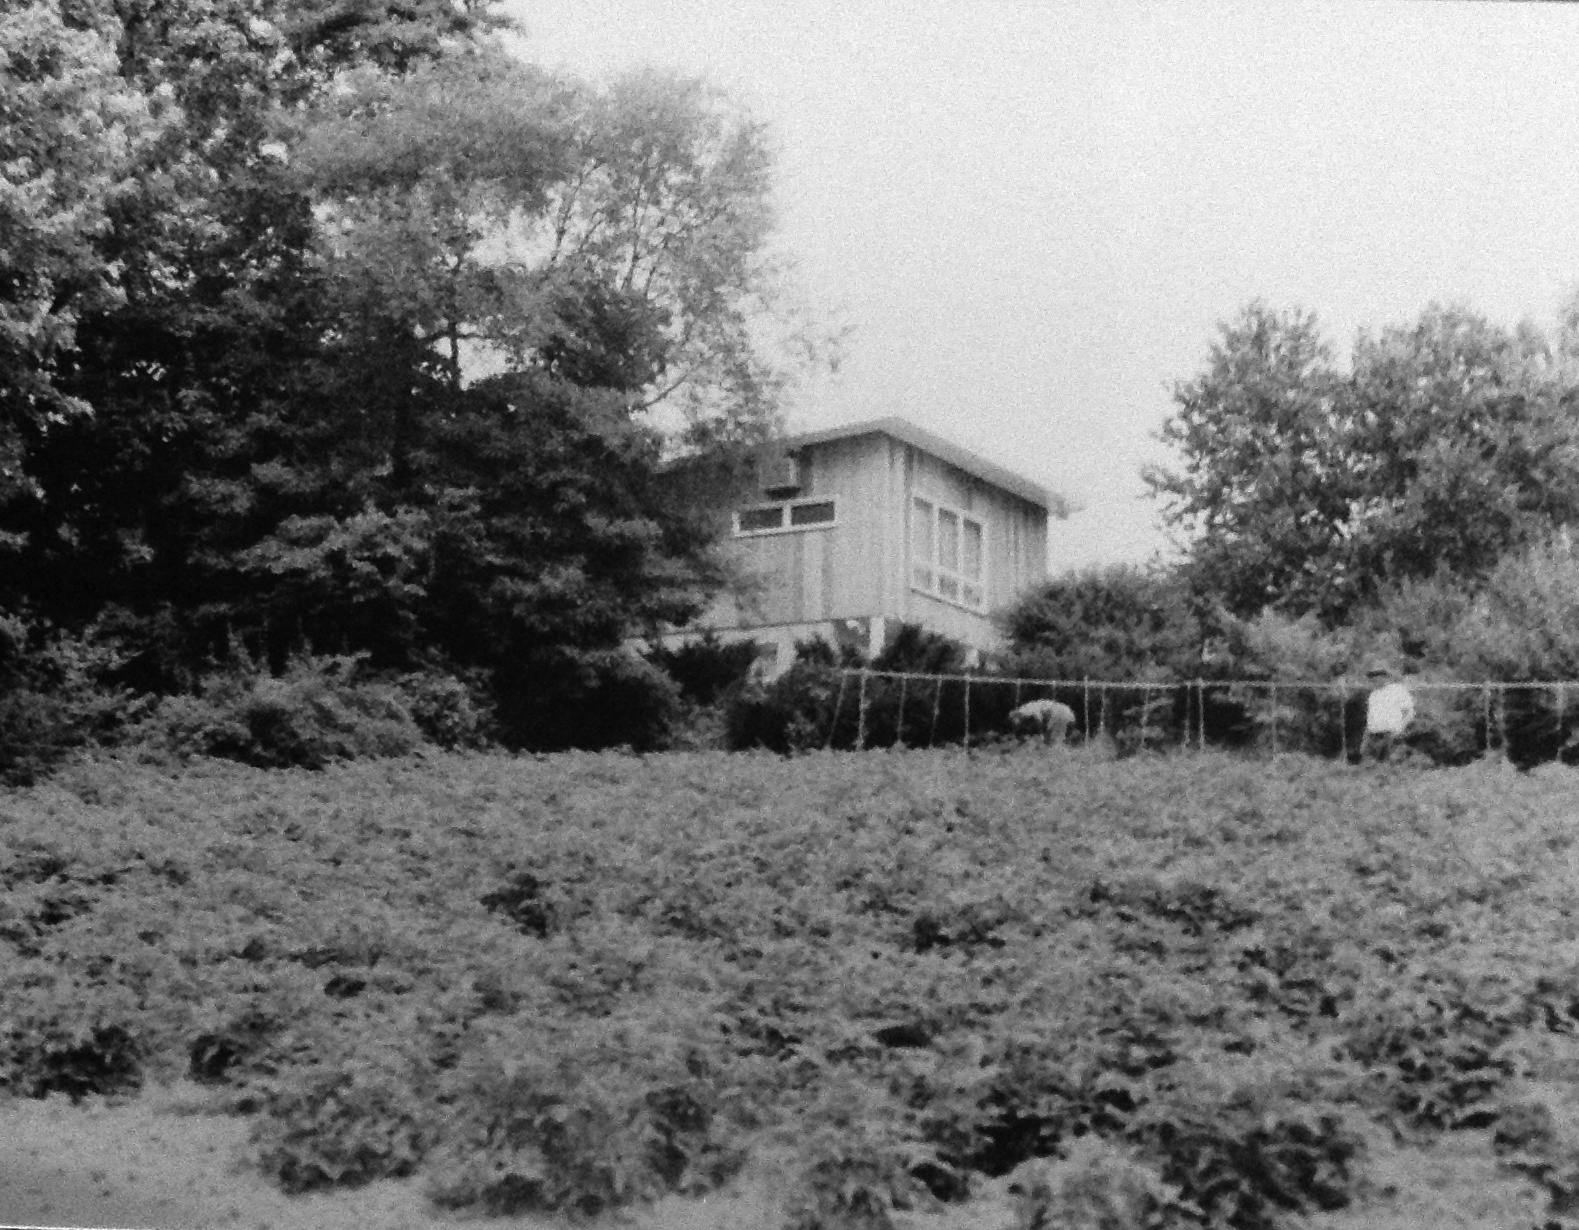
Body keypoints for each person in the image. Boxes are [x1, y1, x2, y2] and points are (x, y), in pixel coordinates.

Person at [1361, 662, 1415, 763]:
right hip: (1373, 735)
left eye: (1378, 676)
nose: (1375, 679)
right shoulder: (1373, 695)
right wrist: (1366, 736)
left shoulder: (1397, 690)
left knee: (1388, 765)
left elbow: (1408, 711)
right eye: (1373, 677)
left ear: (1385, 677)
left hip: (1391, 734)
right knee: (1369, 765)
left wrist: (1400, 728)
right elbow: (1371, 716)